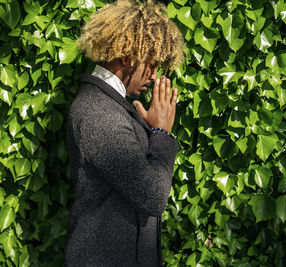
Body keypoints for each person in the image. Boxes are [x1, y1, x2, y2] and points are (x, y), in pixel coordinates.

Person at [65, 0, 186, 266]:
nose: (154, 76)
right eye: (151, 63)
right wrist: (161, 133)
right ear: (127, 57)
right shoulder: (100, 112)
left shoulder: (110, 105)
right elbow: (151, 196)